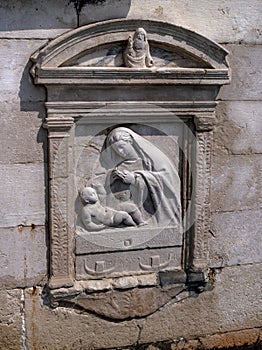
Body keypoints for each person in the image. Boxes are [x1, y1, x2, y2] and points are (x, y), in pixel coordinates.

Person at [99, 127, 181, 227]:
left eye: (122, 146)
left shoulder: (152, 160)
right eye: (116, 150)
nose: (120, 151)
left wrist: (136, 180)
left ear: (131, 142)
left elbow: (169, 180)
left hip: (152, 212)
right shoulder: (119, 167)